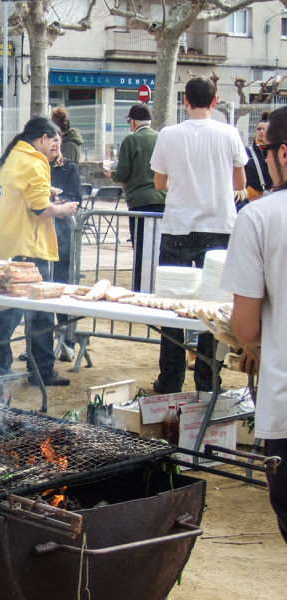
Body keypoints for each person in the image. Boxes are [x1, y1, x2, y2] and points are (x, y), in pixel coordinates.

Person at [149, 75, 248, 394]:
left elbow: (160, 183)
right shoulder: (229, 133)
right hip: (219, 227)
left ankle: (170, 379)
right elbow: (239, 182)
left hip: (178, 225)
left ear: (185, 101)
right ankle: (208, 380)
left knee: (173, 305)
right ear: (215, 101)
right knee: (214, 309)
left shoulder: (168, 134)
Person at [220, 105, 287, 544]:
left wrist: (260, 340)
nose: (262, 159)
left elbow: (244, 327)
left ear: (284, 153)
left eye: (264, 150)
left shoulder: (261, 216)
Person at [0, 116, 79, 386]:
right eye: (53, 139)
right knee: (39, 312)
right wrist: (63, 209)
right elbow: (40, 208)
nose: (55, 145)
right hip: (28, 247)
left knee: (8, 309)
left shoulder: (11, 158)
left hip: (6, 243)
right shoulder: (34, 161)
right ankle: (42, 370)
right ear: (43, 138)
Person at [104, 103, 166, 292]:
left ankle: (140, 289)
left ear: (133, 122)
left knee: (140, 249)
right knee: (159, 247)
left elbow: (123, 173)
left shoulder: (131, 140)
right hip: (163, 199)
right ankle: (159, 287)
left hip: (139, 201)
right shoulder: (161, 138)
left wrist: (111, 174)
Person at [47, 132, 82, 362]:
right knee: (40, 289)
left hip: (63, 235)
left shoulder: (69, 168)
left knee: (63, 286)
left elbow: (76, 197)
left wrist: (61, 203)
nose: (54, 144)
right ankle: (38, 342)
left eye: (57, 140)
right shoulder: (36, 166)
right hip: (39, 235)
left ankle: (67, 341)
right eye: (51, 140)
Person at [242, 111, 273, 207]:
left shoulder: (273, 151)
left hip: (270, 196)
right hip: (252, 198)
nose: (261, 131)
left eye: (264, 129)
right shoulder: (248, 151)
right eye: (259, 129)